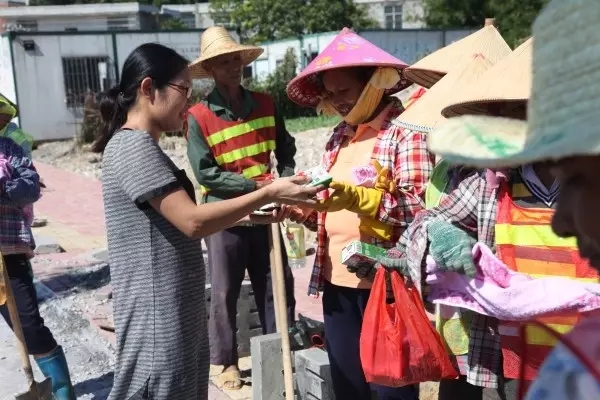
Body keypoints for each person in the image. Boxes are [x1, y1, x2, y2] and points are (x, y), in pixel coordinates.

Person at [90, 42, 321, 400]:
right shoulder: (132, 147)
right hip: (158, 318)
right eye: (183, 90)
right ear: (149, 89)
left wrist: (254, 211)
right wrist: (267, 193)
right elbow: (192, 222)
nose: (188, 101)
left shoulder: (144, 146)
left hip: (175, 310)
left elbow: (183, 222)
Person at [380, 37, 600, 400]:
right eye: (503, 116)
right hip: (518, 361)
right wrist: (438, 232)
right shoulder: (492, 183)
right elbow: (423, 223)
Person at [285, 27, 431, 400]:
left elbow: (419, 208)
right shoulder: (339, 136)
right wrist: (305, 209)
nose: (338, 102)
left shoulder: (405, 132)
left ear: (373, 84)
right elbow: (330, 205)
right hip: (336, 282)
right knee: (348, 387)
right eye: (330, 95)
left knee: (391, 390)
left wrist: (357, 198)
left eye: (345, 91)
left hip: (385, 284)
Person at [186, 26, 298, 390]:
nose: (233, 67)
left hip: (266, 213)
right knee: (224, 292)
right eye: (223, 62)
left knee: (276, 286)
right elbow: (206, 173)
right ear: (210, 70)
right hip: (224, 217)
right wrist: (258, 188)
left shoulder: (265, 104)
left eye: (236, 59)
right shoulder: (198, 116)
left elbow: (286, 150)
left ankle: (280, 353)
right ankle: (227, 362)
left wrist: (285, 186)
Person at [0, 135, 76, 399]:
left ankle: (61, 391)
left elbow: (31, 188)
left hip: (9, 253)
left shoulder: (8, 148)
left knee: (28, 326)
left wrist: (2, 187)